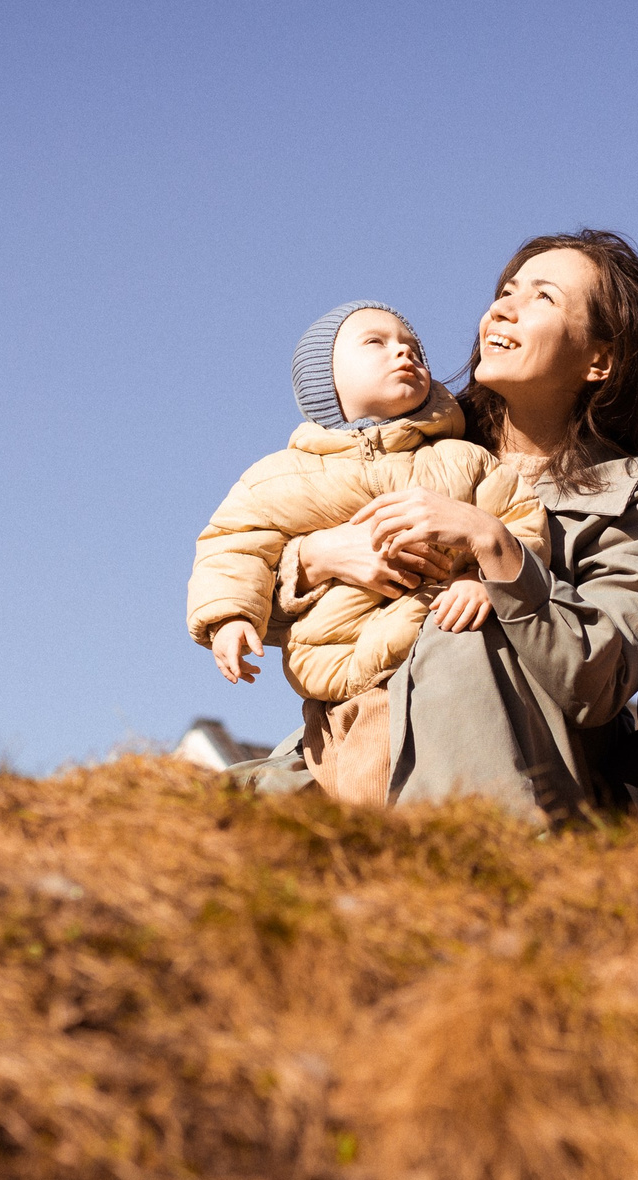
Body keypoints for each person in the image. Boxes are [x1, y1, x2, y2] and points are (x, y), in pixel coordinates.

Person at [251, 231, 638, 822]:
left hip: (517, 787)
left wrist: (497, 548)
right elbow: (251, 596)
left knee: (463, 633)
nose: (503, 309)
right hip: (348, 747)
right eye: (505, 291)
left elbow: (601, 682)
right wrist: (316, 559)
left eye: (543, 297)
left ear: (600, 361)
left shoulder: (635, 507)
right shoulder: (405, 439)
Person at [186, 301, 550, 806]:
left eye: (413, 346)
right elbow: (234, 544)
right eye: (375, 342)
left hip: (421, 661)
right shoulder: (279, 477)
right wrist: (229, 617)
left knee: (386, 791)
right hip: (330, 682)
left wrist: (481, 580)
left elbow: (518, 520)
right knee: (341, 797)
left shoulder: (463, 459)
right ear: (325, 383)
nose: (403, 351)